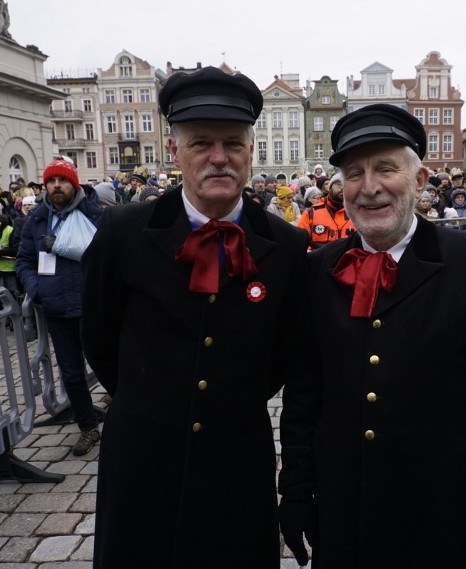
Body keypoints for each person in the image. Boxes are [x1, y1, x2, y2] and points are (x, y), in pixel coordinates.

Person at [278, 103, 466, 568]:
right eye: (354, 174)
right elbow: (304, 394)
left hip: (436, 507)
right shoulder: (317, 270)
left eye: (385, 169)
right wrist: (296, 490)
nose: (368, 188)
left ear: (419, 180)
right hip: (342, 508)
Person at [80, 66, 308, 569]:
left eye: (232, 142)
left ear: (251, 151)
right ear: (174, 150)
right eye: (201, 142)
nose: (219, 157)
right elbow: (98, 334)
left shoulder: (288, 247)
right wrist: (152, 396)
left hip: (236, 455)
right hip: (143, 453)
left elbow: (283, 358)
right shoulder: (124, 230)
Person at [17, 158, 102, 456]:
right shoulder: (37, 219)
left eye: (62, 181)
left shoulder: (94, 213)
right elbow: (24, 260)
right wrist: (35, 288)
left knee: (109, 364)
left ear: (73, 184)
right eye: (51, 181)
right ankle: (87, 425)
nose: (56, 186)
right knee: (72, 373)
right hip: (56, 307)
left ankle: (124, 416)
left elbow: (109, 255)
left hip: (93, 305)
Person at [297, 171, 355, 249]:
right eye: (339, 184)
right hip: (319, 259)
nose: (342, 188)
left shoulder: (358, 214)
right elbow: (300, 243)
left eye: (346, 185)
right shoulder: (311, 213)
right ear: (330, 188)